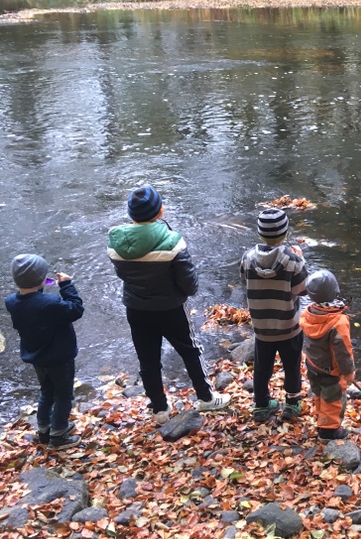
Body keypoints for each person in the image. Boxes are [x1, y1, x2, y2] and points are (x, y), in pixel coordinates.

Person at [108, 186, 230, 425]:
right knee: (190, 351)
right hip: (171, 309)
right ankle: (205, 398)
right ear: (160, 211)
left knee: (148, 359)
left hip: (136, 309)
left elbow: (124, 275)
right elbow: (189, 283)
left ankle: (160, 409)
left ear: (131, 214)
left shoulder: (116, 243)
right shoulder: (173, 241)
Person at [5, 255, 85, 450]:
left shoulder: (11, 302)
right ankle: (58, 434)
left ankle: (43, 430)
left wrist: (38, 287)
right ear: (42, 279)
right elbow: (76, 309)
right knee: (64, 395)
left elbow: (32, 304)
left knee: (47, 392)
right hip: (60, 359)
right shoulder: (50, 303)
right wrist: (66, 285)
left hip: (38, 358)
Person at [240, 207, 309, 422]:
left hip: (262, 327)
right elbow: (303, 289)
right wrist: (302, 259)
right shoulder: (293, 261)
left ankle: (261, 405)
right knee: (291, 365)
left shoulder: (248, 258)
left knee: (262, 367)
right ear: (285, 233)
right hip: (289, 326)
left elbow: (244, 281)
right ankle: (292, 403)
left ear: (260, 234)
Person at [300, 269, 355, 440]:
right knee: (333, 398)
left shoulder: (308, 313)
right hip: (331, 370)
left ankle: (320, 416)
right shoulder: (338, 322)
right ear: (335, 291)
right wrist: (348, 372)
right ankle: (329, 431)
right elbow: (343, 351)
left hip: (313, 364)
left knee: (318, 391)